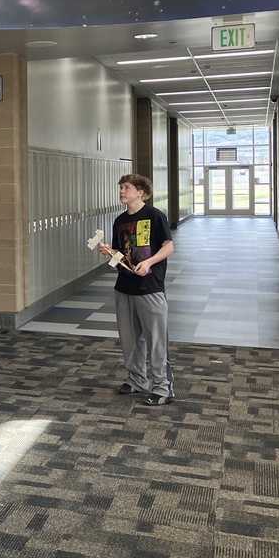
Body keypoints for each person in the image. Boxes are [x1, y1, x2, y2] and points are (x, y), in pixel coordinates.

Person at [98, 173, 176, 406]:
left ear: (140, 192)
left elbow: (168, 246)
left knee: (156, 340)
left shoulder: (155, 216)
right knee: (129, 340)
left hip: (150, 288)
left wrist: (150, 262)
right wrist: (110, 253)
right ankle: (137, 380)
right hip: (124, 287)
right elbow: (121, 256)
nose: (122, 191)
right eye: (120, 187)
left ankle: (163, 388)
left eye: (127, 187)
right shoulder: (120, 221)